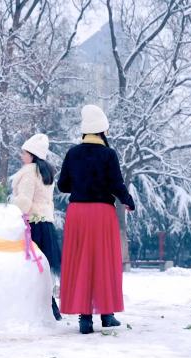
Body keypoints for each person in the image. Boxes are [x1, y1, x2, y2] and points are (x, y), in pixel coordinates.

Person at [57, 104, 135, 334]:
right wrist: (128, 201)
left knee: (82, 261)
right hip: (102, 214)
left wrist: (80, 182)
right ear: (103, 131)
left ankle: (84, 319)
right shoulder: (109, 154)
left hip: (78, 213)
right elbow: (116, 184)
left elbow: (63, 185)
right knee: (103, 262)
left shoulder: (73, 153)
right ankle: (107, 315)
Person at [10, 133, 62, 320]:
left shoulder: (29, 173)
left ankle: (39, 308)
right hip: (45, 223)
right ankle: (51, 309)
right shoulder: (46, 172)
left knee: (32, 268)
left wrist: (9, 207)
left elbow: (24, 201)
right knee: (43, 268)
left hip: (32, 223)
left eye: (24, 153)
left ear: (32, 155)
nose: (21, 156)